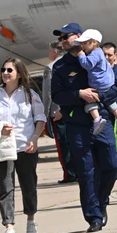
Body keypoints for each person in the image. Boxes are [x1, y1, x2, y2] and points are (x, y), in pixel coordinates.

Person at [51, 22, 117, 233]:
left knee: (111, 165)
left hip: (103, 121)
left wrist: (102, 96)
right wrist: (79, 94)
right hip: (78, 125)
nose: (63, 40)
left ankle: (102, 200)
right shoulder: (61, 67)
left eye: (67, 36)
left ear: (79, 37)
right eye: (61, 38)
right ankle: (94, 217)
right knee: (86, 173)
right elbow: (57, 95)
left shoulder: (98, 56)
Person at [0, 57, 46, 233]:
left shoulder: (30, 94)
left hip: (25, 146)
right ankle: (9, 226)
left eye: (9, 70)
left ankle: (31, 219)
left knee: (29, 186)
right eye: (3, 69)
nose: (5, 73)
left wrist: (35, 138)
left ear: (19, 73)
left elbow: (40, 118)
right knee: (5, 187)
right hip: (3, 147)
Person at [75, 29, 117, 136]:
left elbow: (87, 64)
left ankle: (97, 119)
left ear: (94, 42)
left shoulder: (95, 53)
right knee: (110, 101)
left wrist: (80, 54)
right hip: (108, 85)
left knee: (90, 102)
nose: (82, 46)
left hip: (99, 86)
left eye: (84, 43)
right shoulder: (99, 53)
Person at [43, 40, 74, 184]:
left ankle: (69, 174)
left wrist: (46, 113)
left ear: (55, 52)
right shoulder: (72, 63)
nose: (48, 53)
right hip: (72, 109)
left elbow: (48, 93)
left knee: (63, 145)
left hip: (58, 112)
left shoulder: (50, 68)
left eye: (49, 50)